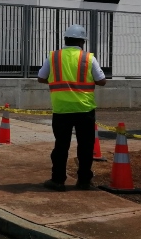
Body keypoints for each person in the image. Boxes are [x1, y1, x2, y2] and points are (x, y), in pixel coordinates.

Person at [37, 24, 106, 191]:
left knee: (61, 146)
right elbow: (102, 80)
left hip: (62, 110)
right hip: (85, 109)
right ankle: (83, 181)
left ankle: (58, 180)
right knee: (86, 146)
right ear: (82, 41)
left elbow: (41, 77)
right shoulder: (89, 58)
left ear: (66, 39)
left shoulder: (53, 57)